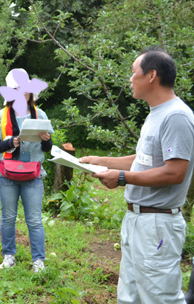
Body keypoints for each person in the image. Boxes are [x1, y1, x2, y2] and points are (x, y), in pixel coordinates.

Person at [80, 47, 194, 303]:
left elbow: (175, 171)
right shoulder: (156, 114)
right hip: (137, 220)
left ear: (151, 75)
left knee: (160, 298)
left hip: (157, 225)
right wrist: (100, 161)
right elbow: (143, 161)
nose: (130, 79)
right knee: (130, 297)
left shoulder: (176, 116)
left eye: (134, 73)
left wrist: (121, 177)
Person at [0, 68, 53, 272]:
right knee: (8, 217)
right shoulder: (1, 115)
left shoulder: (39, 114)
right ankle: (9, 256)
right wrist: (8, 144)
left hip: (33, 174)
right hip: (7, 174)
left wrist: (47, 140)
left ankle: (38, 261)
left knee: (34, 219)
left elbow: (48, 149)